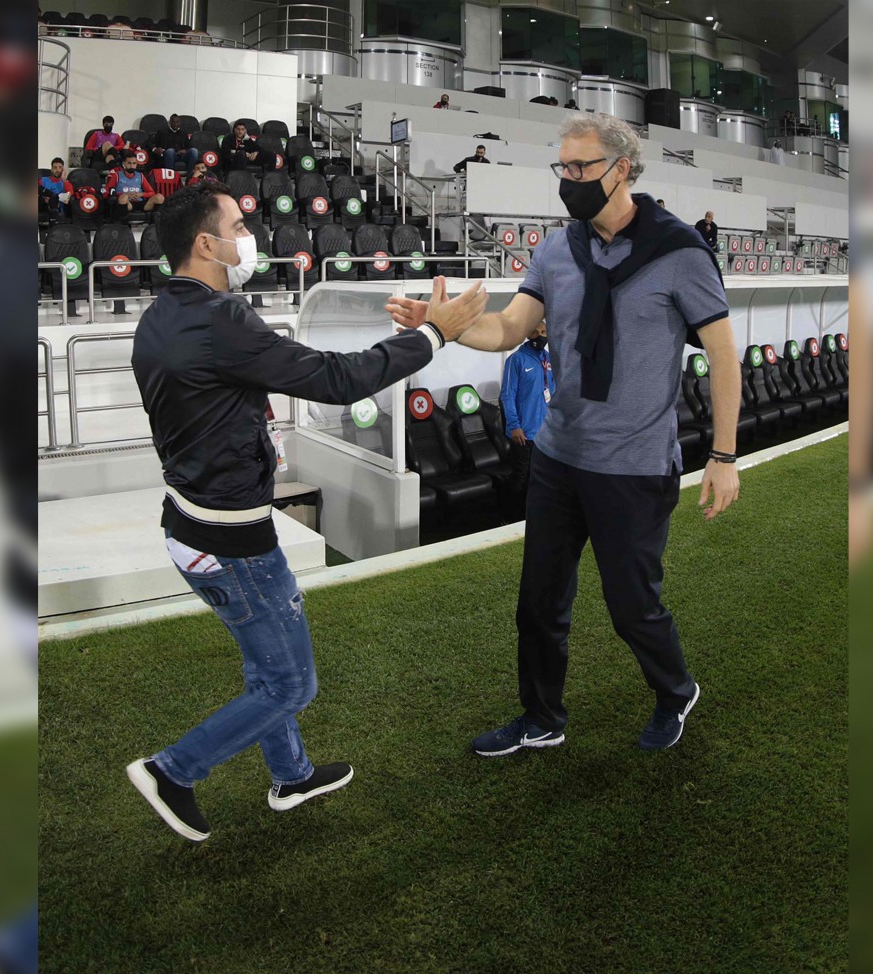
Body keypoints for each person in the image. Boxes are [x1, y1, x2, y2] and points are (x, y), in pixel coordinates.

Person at [126, 184, 489, 842]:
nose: (250, 234)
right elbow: (337, 378)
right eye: (238, 224)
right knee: (290, 686)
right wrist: (436, 335)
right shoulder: (219, 320)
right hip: (233, 544)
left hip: (187, 529)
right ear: (206, 243)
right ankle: (173, 770)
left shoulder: (162, 317)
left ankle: (292, 775)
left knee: (267, 667)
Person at [386, 112, 740, 757]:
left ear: (622, 169)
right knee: (539, 605)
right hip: (558, 456)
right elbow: (509, 329)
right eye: (563, 168)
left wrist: (723, 454)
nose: (569, 180)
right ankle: (542, 717)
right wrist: (447, 327)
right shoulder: (556, 248)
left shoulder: (681, 251)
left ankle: (675, 690)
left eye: (581, 168)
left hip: (634, 465)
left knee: (634, 609)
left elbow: (722, 355)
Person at [500, 321, 554, 514]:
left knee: (540, 477)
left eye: (544, 332)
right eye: (535, 332)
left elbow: (554, 394)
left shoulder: (549, 359)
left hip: (545, 433)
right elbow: (507, 395)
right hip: (523, 432)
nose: (541, 336)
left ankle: (532, 516)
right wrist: (514, 425)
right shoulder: (516, 360)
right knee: (520, 476)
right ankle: (509, 517)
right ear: (527, 334)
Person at [103, 149, 164, 218]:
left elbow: (151, 192)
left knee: (159, 197)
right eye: (129, 163)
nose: (132, 166)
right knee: (123, 198)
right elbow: (108, 192)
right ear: (124, 164)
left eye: (134, 163)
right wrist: (126, 195)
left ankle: (154, 224)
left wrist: (141, 194)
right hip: (127, 203)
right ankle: (122, 225)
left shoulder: (140, 175)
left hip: (140, 201)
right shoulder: (117, 175)